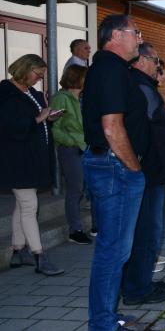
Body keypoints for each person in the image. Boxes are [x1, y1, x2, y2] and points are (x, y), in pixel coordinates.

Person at [82, 14, 149, 330]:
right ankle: (103, 323)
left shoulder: (110, 68)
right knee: (113, 251)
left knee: (115, 250)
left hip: (110, 164)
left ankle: (107, 315)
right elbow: (111, 127)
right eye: (136, 32)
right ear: (116, 35)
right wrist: (133, 167)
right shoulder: (110, 68)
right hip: (115, 167)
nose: (140, 38)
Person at [0, 54, 64, 276]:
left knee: (22, 206)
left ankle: (19, 251)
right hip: (17, 161)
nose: (40, 79)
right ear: (25, 69)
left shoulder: (32, 93)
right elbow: (10, 128)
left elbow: (36, 122)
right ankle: (39, 255)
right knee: (29, 206)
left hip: (33, 159)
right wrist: (39, 118)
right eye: (38, 74)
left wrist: (49, 118)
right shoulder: (6, 93)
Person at [121, 43, 165, 305]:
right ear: (141, 60)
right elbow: (139, 133)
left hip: (152, 172)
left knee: (147, 231)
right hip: (148, 174)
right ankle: (137, 289)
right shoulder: (139, 87)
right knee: (147, 232)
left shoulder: (143, 86)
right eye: (156, 61)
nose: (158, 67)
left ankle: (140, 281)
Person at [51, 64, 92, 245]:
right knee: (75, 190)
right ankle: (75, 230)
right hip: (71, 150)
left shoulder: (83, 97)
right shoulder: (61, 98)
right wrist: (72, 141)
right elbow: (55, 128)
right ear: (77, 78)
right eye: (85, 77)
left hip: (87, 148)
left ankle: (94, 227)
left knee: (88, 189)